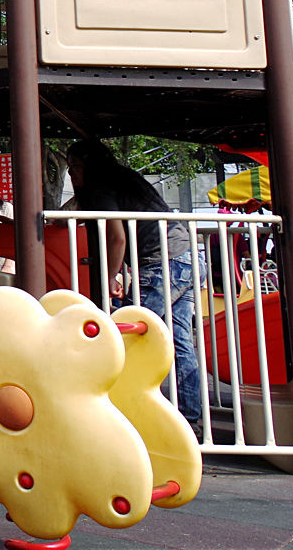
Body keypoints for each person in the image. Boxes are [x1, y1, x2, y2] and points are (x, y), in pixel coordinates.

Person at [67, 139, 201, 426]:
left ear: (91, 166)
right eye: (69, 168)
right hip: (187, 256)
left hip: (161, 263)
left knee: (123, 335)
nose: (70, 174)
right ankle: (191, 419)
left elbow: (117, 237)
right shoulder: (124, 177)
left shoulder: (101, 186)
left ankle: (113, 413)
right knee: (180, 342)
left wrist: (111, 275)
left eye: (75, 167)